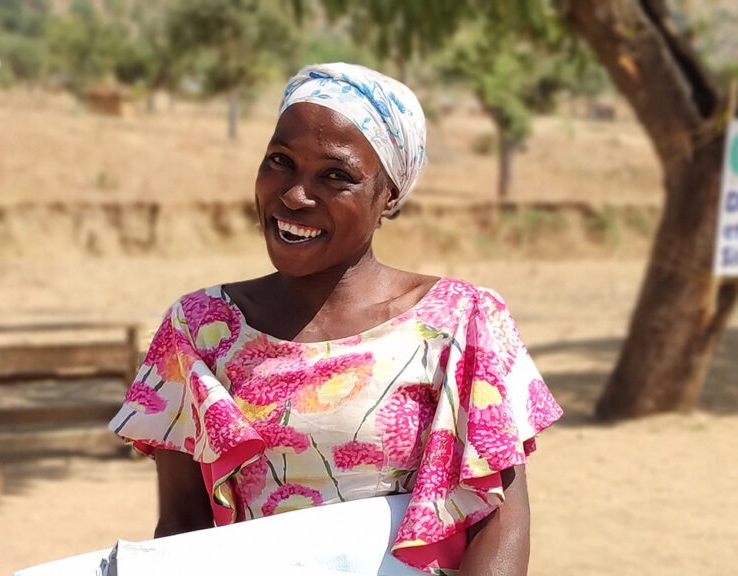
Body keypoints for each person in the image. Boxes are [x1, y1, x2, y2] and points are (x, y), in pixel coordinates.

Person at [109, 62, 562, 576]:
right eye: (280, 161)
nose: (295, 195)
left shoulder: (461, 323)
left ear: (388, 196)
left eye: (336, 175)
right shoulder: (200, 329)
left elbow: (498, 519)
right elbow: (182, 530)